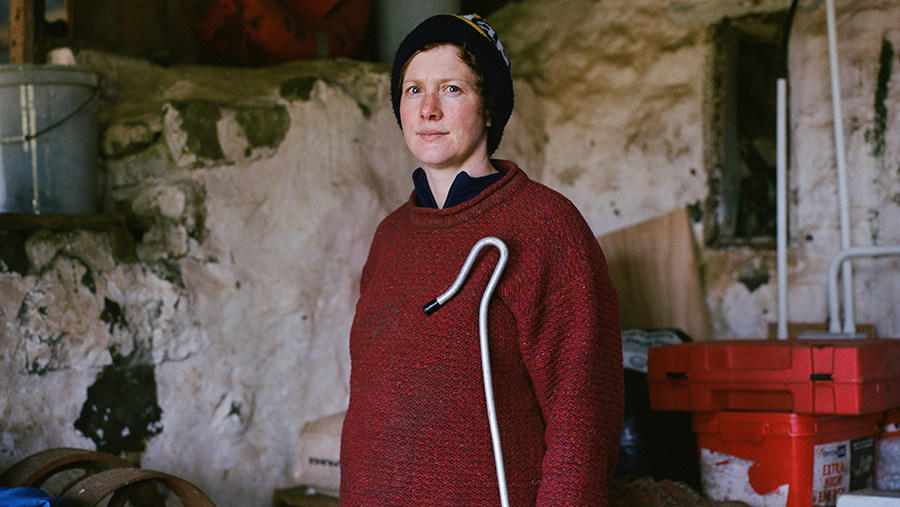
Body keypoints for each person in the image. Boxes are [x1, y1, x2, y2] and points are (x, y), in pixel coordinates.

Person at [340, 13, 624, 506]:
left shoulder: (543, 225)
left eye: (451, 89)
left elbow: (581, 412)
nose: (428, 109)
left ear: (489, 109)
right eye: (413, 90)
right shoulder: (391, 237)